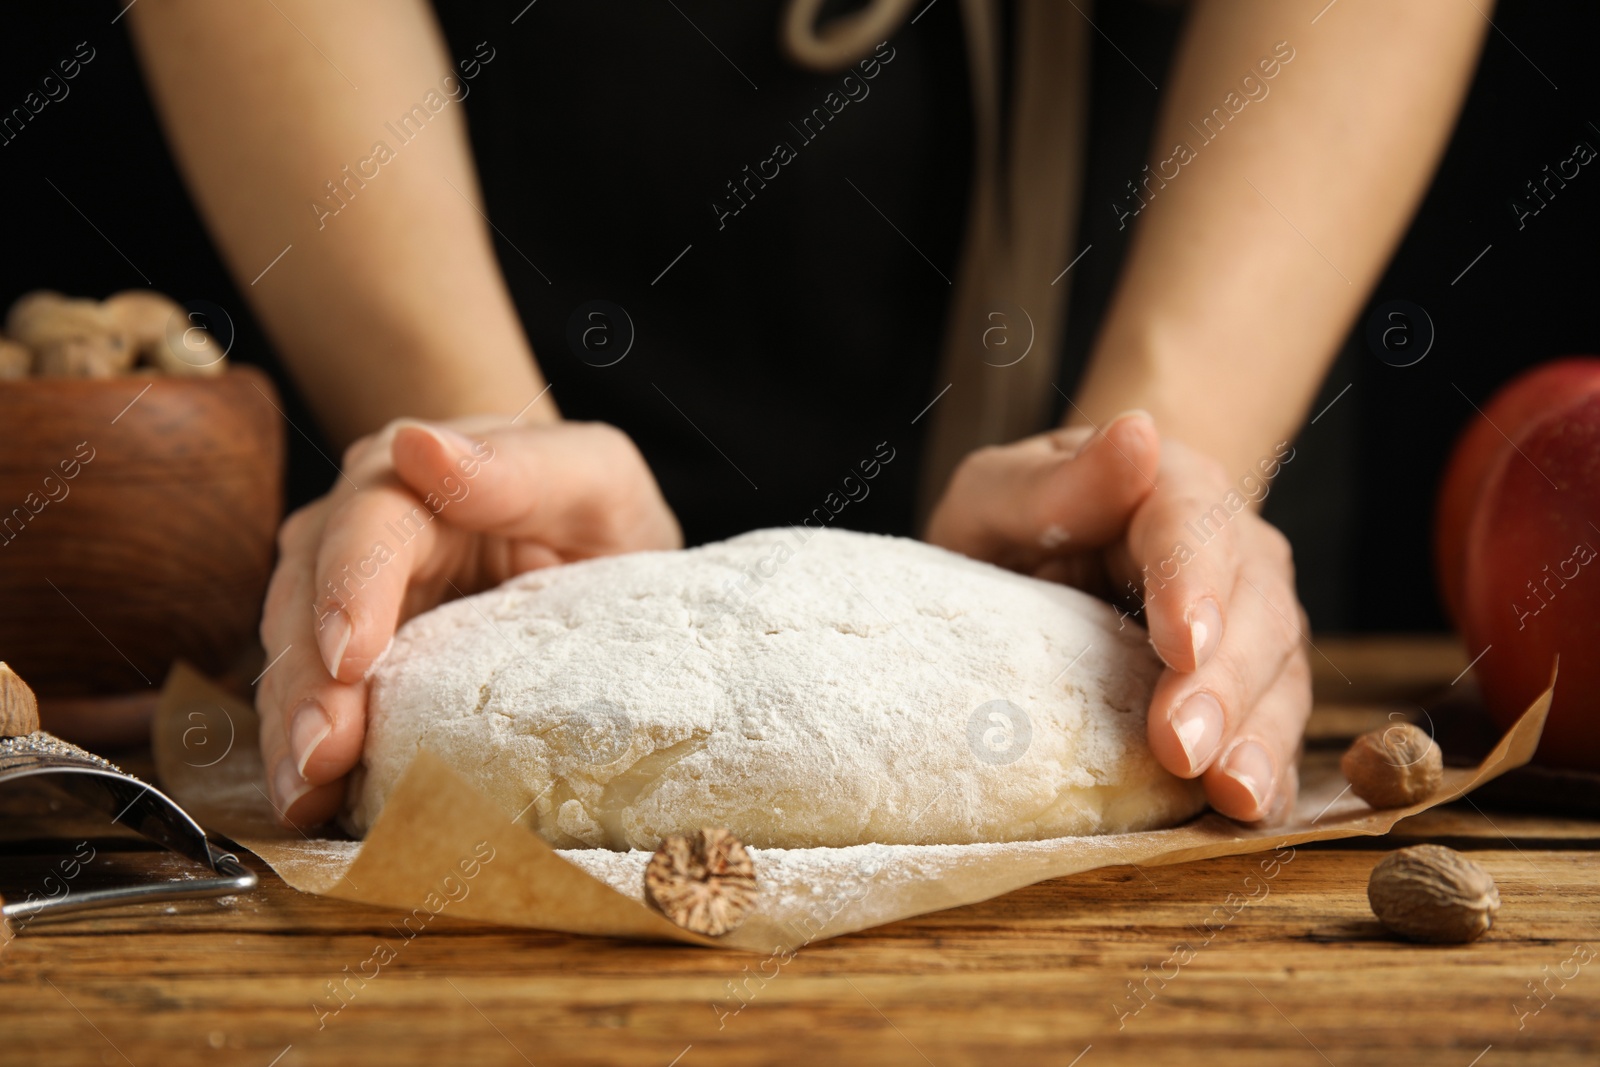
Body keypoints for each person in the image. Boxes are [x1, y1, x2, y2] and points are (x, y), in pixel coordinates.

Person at [124, 0, 1489, 829]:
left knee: (1140, 711)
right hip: (498, 220)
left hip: (1163, 240)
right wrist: (465, 440)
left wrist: (1156, 453)